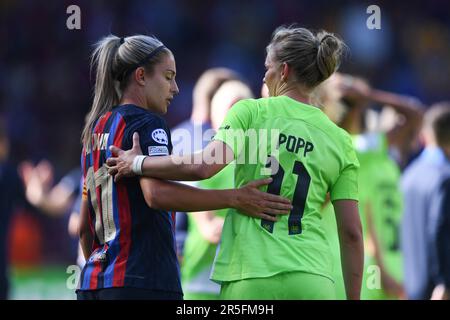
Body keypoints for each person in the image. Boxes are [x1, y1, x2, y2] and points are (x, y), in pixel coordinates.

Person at [107, 26, 364, 300]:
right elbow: (351, 233)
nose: (264, 76)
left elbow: (203, 166)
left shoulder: (251, 112)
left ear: (285, 70)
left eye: (268, 67)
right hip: (313, 281)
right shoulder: (340, 140)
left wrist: (138, 163)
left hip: (250, 278)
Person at [77, 34, 291, 300]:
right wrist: (235, 198)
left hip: (93, 282)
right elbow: (157, 195)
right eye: (168, 77)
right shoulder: (146, 123)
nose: (176, 88)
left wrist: (102, 274)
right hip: (142, 280)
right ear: (141, 76)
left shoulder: (94, 130)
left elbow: (85, 227)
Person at [182, 80, 254, 300]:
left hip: (245, 279)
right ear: (215, 118)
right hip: (201, 276)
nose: (236, 120)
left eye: (241, 111)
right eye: (229, 110)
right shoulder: (203, 162)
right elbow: (209, 228)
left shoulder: (260, 164)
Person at [171, 68, 240, 263]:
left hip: (168, 243)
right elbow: (191, 192)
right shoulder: (213, 144)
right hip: (193, 252)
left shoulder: (172, 135)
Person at [401, 103, 450, 300]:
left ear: (426, 135)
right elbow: (438, 230)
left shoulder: (408, 174)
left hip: (409, 284)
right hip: (437, 290)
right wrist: (444, 282)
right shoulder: (444, 178)